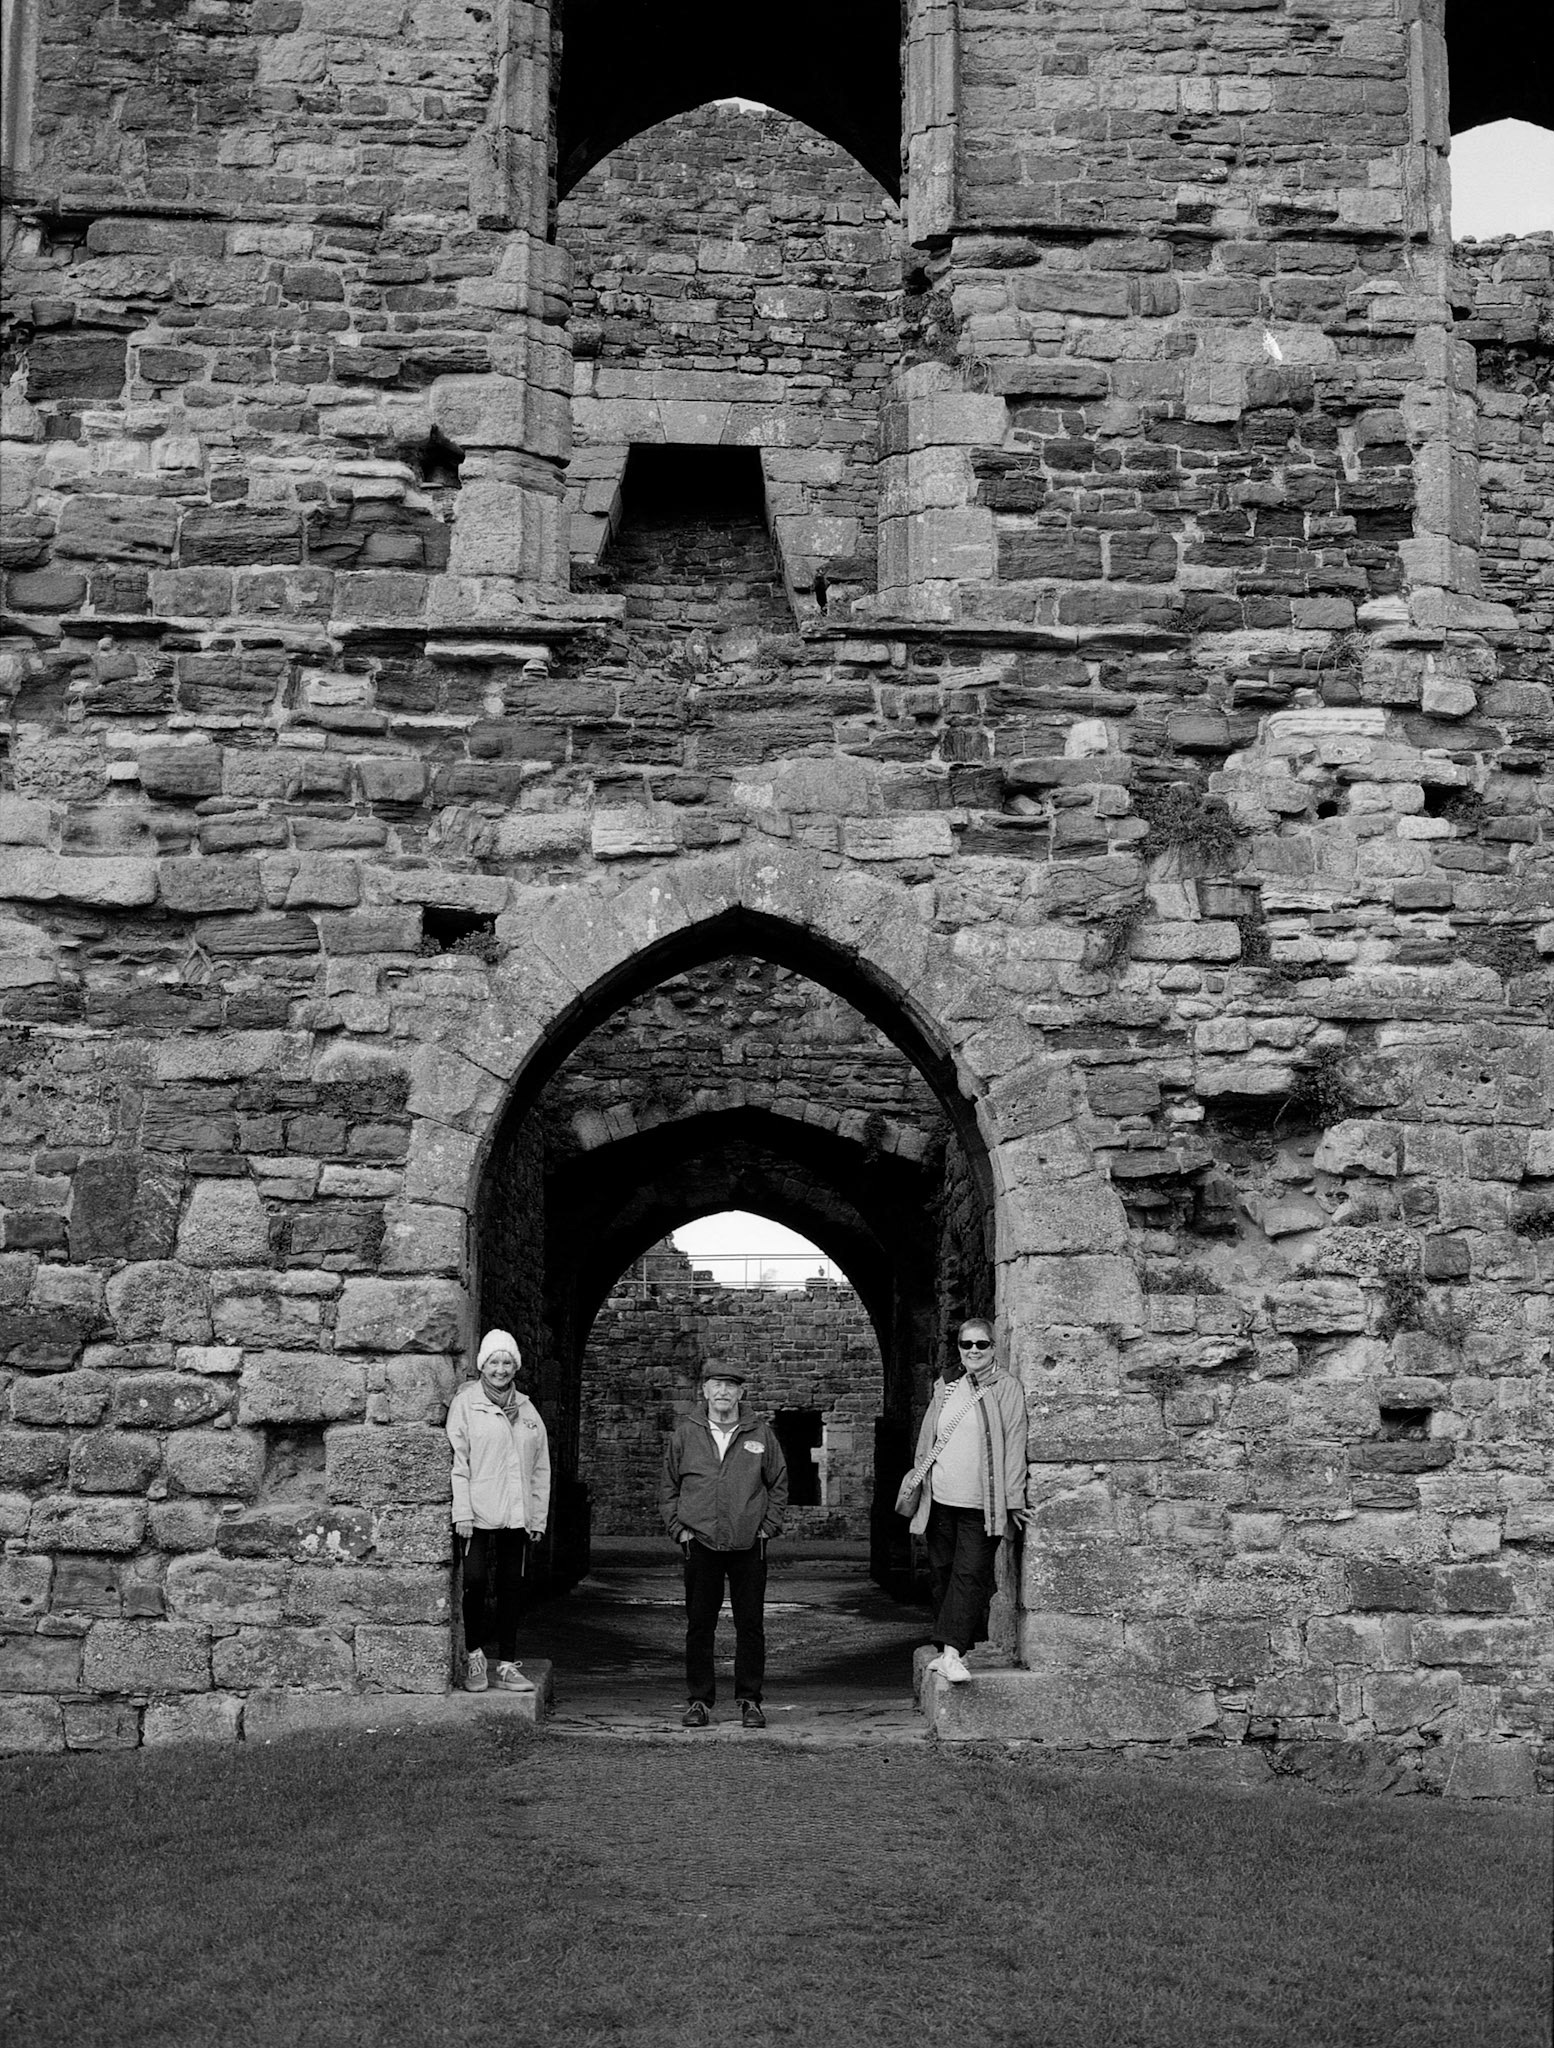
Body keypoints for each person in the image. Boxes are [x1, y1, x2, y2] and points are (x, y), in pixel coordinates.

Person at [659, 1362, 788, 1729]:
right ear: (704, 1391)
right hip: (700, 1542)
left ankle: (750, 1700)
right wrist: (678, 1529)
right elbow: (668, 1486)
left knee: (750, 1625)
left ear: (741, 1394)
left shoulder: (760, 1433)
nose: (723, 1393)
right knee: (700, 1625)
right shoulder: (686, 1433)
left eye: (731, 1387)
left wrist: (768, 1527)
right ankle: (699, 1701)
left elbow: (778, 1482)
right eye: (716, 1386)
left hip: (749, 1544)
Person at [908, 1317, 1029, 1685]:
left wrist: (1013, 1497)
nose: (974, 1351)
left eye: (982, 1345)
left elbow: (1014, 1443)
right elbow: (928, 1438)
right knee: (943, 1573)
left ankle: (952, 1654)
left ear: (994, 1348)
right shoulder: (946, 1387)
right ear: (959, 1349)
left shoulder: (1006, 1387)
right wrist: (918, 1484)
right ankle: (947, 1650)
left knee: (969, 1575)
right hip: (941, 1499)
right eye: (967, 1345)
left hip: (982, 1502)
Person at [446, 1328, 551, 1694]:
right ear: (482, 1365)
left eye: (507, 1362)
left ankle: (506, 1664)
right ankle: (475, 1656)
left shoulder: (527, 1409)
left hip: (517, 1514)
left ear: (515, 1366)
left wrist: (537, 1518)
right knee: (474, 1583)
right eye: (494, 1362)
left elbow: (540, 1468)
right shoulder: (467, 1404)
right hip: (476, 1512)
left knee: (512, 1588)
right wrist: (462, 1513)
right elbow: (460, 1462)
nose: (500, 1369)